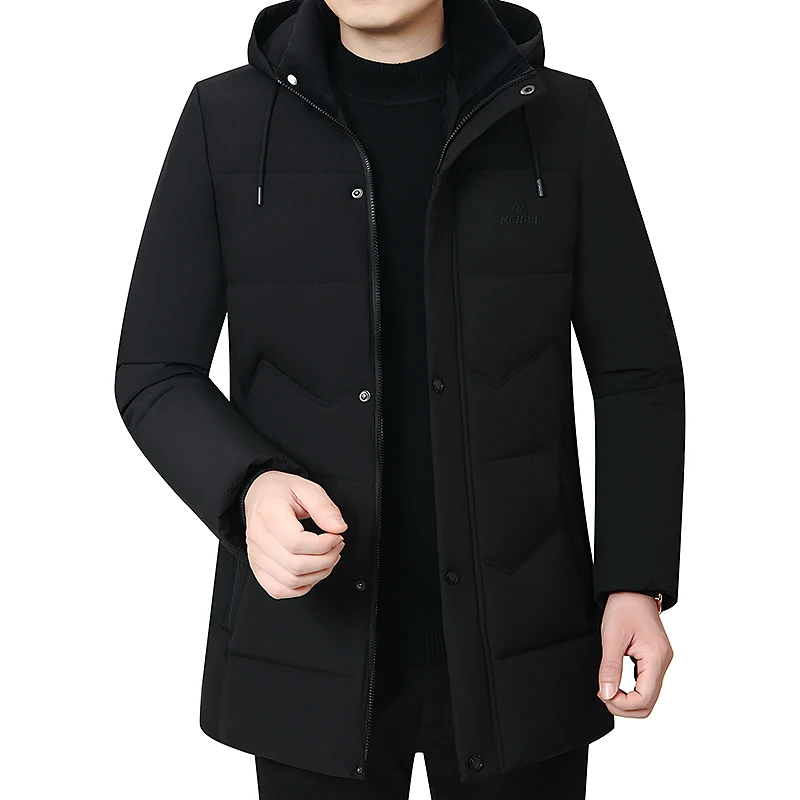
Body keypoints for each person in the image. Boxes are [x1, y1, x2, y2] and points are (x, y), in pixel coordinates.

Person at [114, 0, 684, 797]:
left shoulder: (561, 116)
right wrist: (247, 487)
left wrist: (634, 580)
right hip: (310, 644)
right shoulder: (226, 119)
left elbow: (635, 373)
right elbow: (155, 370)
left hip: (523, 646)